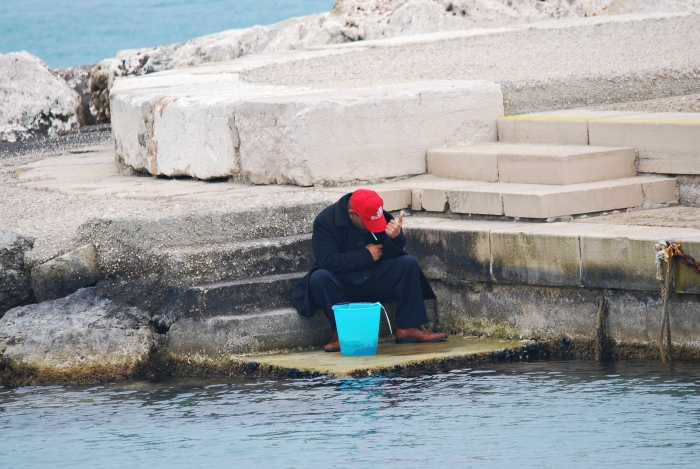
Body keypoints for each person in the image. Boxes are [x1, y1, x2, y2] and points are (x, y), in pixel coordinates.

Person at [292, 189, 448, 352]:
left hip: (372, 279)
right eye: (367, 222)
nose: (373, 226)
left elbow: (392, 254)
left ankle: (409, 328)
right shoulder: (325, 221)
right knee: (319, 277)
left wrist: (396, 237)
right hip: (342, 283)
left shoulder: (379, 216)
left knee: (407, 262)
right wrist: (365, 256)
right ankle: (346, 335)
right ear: (352, 214)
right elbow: (327, 261)